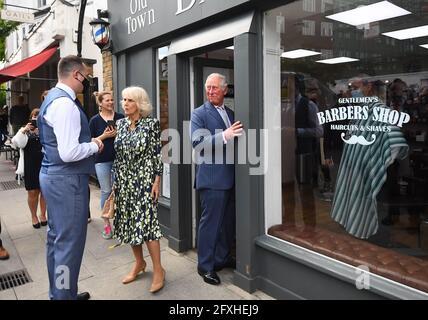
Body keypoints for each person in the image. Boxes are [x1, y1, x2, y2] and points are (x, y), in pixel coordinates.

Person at [37, 55, 103, 300]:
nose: (86, 82)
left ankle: (61, 292)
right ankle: (64, 295)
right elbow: (69, 152)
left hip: (54, 177)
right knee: (68, 245)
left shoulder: (53, 98)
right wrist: (95, 145)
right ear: (76, 74)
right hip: (66, 181)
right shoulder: (65, 104)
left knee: (57, 239)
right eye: (86, 77)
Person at [190, 73, 243, 285]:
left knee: (227, 223)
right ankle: (205, 266)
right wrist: (225, 135)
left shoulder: (230, 113)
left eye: (214, 88)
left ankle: (221, 258)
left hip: (231, 178)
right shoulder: (199, 113)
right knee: (210, 225)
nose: (210, 91)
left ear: (225, 90)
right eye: (208, 87)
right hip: (211, 180)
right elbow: (198, 144)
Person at [112, 86, 165, 293]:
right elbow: (118, 157)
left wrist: (157, 180)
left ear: (139, 103)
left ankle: (159, 270)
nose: (125, 103)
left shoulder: (151, 124)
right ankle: (139, 263)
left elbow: (156, 154)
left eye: (130, 100)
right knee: (129, 224)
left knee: (148, 225)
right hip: (124, 182)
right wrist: (116, 183)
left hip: (144, 181)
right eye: (124, 99)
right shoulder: (120, 124)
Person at [89, 91, 124, 239]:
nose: (110, 102)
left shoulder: (121, 118)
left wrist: (119, 134)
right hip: (102, 160)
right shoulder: (94, 121)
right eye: (107, 100)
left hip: (120, 159)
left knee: (119, 191)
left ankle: (119, 222)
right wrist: (105, 136)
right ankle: (106, 224)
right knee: (106, 191)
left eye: (112, 100)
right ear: (100, 103)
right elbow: (90, 141)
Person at [12, 108, 47, 229]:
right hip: (30, 165)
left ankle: (43, 214)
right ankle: (33, 216)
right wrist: (24, 130)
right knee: (32, 192)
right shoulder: (25, 131)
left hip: (45, 164)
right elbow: (16, 143)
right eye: (34, 117)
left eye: (39, 117)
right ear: (31, 118)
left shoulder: (45, 129)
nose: (36, 119)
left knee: (44, 192)